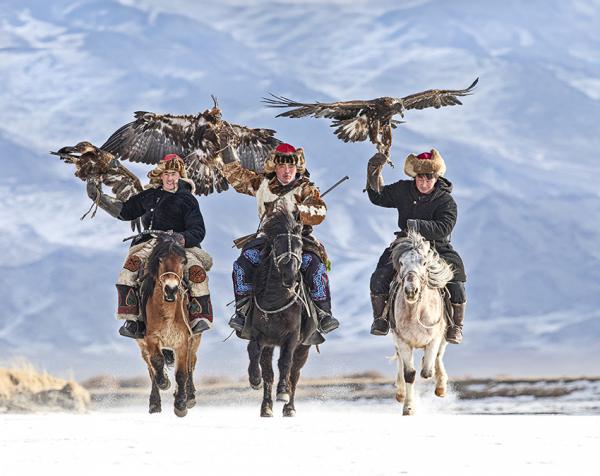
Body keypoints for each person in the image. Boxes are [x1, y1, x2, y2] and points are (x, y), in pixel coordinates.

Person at [87, 153, 213, 339]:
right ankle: (132, 319)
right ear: (160, 175)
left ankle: (198, 317)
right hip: (150, 243)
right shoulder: (148, 196)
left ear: (180, 176)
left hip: (179, 246)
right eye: (167, 174)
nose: (170, 178)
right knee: (128, 271)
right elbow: (125, 211)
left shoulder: (188, 200)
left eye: (174, 174)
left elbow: (198, 231)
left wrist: (180, 238)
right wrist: (98, 197)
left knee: (196, 271)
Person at [221, 143, 339, 337]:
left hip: (299, 240)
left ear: (297, 168)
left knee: (316, 268)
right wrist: (226, 150)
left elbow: (320, 211)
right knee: (241, 266)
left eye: (291, 167)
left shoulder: (306, 188)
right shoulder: (261, 184)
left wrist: (303, 211)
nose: (287, 171)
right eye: (282, 167)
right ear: (274, 167)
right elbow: (236, 177)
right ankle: (242, 311)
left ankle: (324, 313)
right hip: (265, 240)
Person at [366, 149, 467, 343]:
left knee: (458, 279)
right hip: (404, 244)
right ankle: (380, 319)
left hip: (437, 247)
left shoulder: (446, 201)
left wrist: (417, 225)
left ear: (436, 178)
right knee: (379, 276)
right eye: (420, 178)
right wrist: (373, 171)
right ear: (415, 176)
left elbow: (445, 227)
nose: (424, 182)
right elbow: (378, 197)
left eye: (428, 179)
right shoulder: (403, 189)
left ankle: (455, 326)